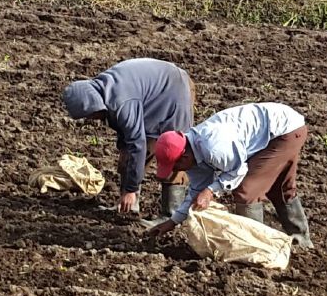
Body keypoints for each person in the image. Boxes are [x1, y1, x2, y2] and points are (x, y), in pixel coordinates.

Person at [147, 102, 313, 248]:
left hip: (284, 130)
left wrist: (211, 191)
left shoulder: (213, 147)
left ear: (184, 156)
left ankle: (254, 246)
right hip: (278, 129)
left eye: (175, 165)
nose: (176, 171)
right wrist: (172, 222)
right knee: (278, 187)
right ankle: (301, 241)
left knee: (246, 190)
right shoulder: (192, 157)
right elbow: (197, 192)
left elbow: (238, 171)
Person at [61, 58, 194, 216]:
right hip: (152, 95)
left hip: (175, 88)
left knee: (173, 150)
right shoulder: (103, 90)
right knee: (128, 154)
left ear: (94, 105)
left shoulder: (121, 103)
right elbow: (127, 139)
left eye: (89, 115)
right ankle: (129, 206)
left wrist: (130, 189)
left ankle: (171, 214)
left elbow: (138, 144)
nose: (91, 119)